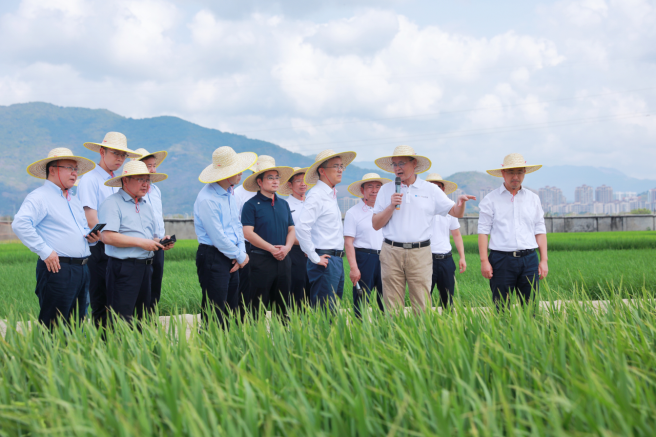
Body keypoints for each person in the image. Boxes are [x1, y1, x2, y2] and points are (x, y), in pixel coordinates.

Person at [372, 145, 475, 313]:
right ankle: (393, 330)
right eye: (394, 164)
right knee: (392, 305)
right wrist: (391, 206)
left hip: (420, 253)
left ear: (414, 164)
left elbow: (456, 212)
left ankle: (421, 330)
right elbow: (376, 224)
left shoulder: (430, 189)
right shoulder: (385, 190)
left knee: (421, 304)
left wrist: (461, 203)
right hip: (391, 251)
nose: (397, 168)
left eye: (402, 163)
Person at [13, 148, 100, 327]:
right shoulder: (39, 197)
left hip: (82, 268)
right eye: (70, 168)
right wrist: (45, 251)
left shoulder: (74, 200)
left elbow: (81, 228)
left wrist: (91, 237)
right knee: (54, 326)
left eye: (76, 169)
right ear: (52, 170)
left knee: (77, 325)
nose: (74, 173)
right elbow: (20, 224)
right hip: (58, 268)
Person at [99, 161, 174, 324]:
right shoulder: (112, 203)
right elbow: (108, 237)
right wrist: (141, 243)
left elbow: (147, 238)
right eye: (141, 179)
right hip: (123, 268)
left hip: (145, 268)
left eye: (148, 180)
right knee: (122, 320)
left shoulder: (146, 206)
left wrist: (160, 242)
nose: (145, 184)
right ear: (125, 180)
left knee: (142, 318)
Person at [79, 132, 142, 328]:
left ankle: (119, 341)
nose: (120, 159)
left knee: (120, 302)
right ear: (102, 152)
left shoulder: (119, 181)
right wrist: (115, 238)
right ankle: (103, 342)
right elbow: (92, 220)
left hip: (120, 246)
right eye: (115, 153)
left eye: (123, 155)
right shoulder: (90, 179)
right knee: (102, 302)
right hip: (100, 247)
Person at [194, 146, 257, 328]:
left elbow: (236, 224)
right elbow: (217, 236)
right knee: (215, 311)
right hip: (213, 255)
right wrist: (240, 256)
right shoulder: (208, 198)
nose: (241, 174)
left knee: (231, 307)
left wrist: (240, 253)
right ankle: (211, 343)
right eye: (237, 171)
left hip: (232, 254)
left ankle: (227, 343)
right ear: (225, 174)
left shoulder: (229, 192)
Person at [478, 153, 548, 310]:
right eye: (511, 172)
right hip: (501, 260)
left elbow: (540, 230)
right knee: (501, 308)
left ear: (524, 173)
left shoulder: (533, 199)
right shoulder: (490, 199)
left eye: (519, 172)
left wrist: (544, 260)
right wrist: (484, 261)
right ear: (503, 173)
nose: (515, 176)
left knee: (530, 308)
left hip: (529, 259)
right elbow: (483, 232)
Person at [296, 149, 356, 311]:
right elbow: (302, 227)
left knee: (333, 311)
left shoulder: (330, 194)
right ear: (322, 171)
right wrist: (314, 257)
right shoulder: (317, 195)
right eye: (335, 166)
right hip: (325, 260)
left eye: (341, 166)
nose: (340, 170)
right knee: (324, 313)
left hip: (336, 260)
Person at [240, 157, 295, 320]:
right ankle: (257, 335)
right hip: (260, 261)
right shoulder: (251, 205)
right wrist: (271, 249)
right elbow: (247, 233)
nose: (275, 181)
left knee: (283, 308)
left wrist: (287, 248)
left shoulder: (283, 204)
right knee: (257, 308)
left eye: (277, 177)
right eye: (270, 178)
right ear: (260, 181)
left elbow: (292, 229)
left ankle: (283, 336)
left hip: (284, 260)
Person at [344, 173, 391, 318]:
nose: (374, 190)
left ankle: (386, 328)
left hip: (386, 257)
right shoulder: (353, 213)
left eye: (378, 187)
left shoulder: (387, 211)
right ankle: (360, 327)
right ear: (362, 190)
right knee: (361, 300)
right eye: (370, 187)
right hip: (365, 258)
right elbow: (348, 242)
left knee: (387, 300)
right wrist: (353, 268)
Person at [131, 148, 169, 311]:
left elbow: (158, 218)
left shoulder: (156, 191)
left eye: (154, 166)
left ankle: (150, 320)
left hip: (159, 244)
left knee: (155, 286)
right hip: (143, 245)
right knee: (141, 289)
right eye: (149, 166)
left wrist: (163, 238)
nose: (153, 170)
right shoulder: (135, 192)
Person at [234, 155, 272, 316]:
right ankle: (242, 323)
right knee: (246, 289)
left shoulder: (271, 195)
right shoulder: (239, 193)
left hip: (267, 248)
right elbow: (235, 224)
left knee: (262, 289)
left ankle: (258, 323)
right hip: (247, 247)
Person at [425, 173, 467, 309]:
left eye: (438, 187)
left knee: (448, 300)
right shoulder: (420, 207)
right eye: (431, 187)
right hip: (425, 259)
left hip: (446, 259)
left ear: (443, 189)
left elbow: (456, 234)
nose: (435, 189)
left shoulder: (450, 208)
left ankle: (448, 321)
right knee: (423, 299)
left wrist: (462, 257)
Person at [278, 167, 313, 308]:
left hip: (314, 252)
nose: (303, 184)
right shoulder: (285, 205)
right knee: (297, 291)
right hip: (295, 252)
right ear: (290, 184)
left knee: (313, 291)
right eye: (298, 181)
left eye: (305, 180)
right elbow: (286, 231)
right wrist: (306, 246)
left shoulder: (312, 203)